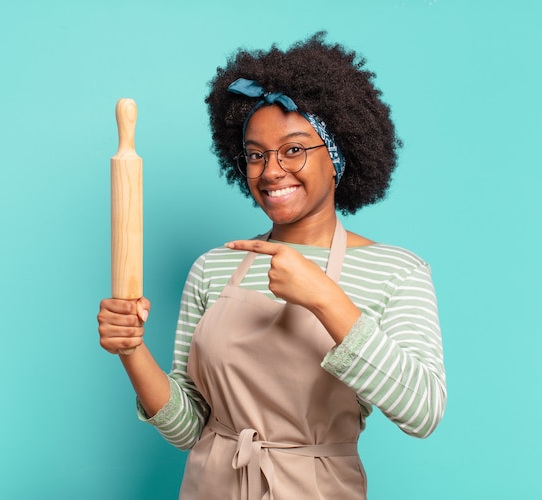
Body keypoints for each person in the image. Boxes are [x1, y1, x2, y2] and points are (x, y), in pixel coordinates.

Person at [98, 32, 446, 500]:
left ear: (338, 153)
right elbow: (188, 429)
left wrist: (324, 296)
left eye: (294, 149)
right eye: (256, 155)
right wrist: (131, 349)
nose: (270, 171)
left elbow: (422, 412)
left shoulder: (396, 271)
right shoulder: (213, 268)